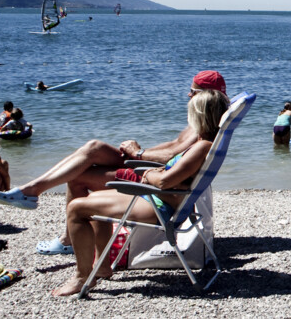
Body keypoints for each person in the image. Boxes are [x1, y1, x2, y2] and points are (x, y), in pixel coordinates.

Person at [0, 70, 227, 255]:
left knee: (79, 174)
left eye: (193, 92)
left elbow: (169, 158)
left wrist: (139, 154)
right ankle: (33, 193)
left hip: (152, 179)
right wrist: (139, 152)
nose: (188, 95)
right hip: (151, 170)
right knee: (93, 148)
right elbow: (173, 148)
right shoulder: (204, 126)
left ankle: (65, 233)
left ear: (204, 98)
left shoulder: (201, 136)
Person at [51, 89, 229, 296]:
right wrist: (156, 174)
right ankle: (101, 266)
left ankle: (82, 277)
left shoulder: (202, 147)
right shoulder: (206, 144)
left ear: (199, 115)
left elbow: (163, 181)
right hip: (163, 199)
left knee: (76, 208)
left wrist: (149, 175)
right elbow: (171, 179)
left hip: (159, 205)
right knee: (91, 199)